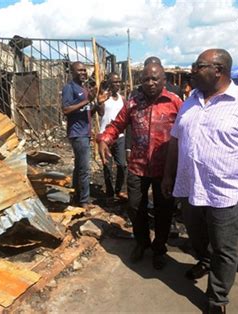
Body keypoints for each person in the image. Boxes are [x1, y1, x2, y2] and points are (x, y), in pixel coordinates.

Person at [161, 49, 238, 313]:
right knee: (198, 237)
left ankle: (218, 297)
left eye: (198, 66)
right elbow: (176, 140)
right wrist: (168, 175)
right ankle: (204, 260)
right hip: (190, 187)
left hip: (226, 192)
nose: (192, 71)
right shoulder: (191, 99)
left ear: (218, 70)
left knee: (224, 247)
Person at [97, 62, 182, 270]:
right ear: (140, 81)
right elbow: (117, 124)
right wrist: (104, 139)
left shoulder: (175, 102)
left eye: (155, 79)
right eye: (146, 79)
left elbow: (188, 130)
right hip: (137, 166)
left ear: (164, 80)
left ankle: (159, 248)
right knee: (135, 207)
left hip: (165, 170)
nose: (150, 83)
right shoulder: (133, 103)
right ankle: (142, 242)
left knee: (163, 211)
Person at [61, 61, 97, 208]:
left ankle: (76, 195)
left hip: (85, 132)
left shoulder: (84, 88)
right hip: (77, 133)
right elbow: (65, 110)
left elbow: (88, 111)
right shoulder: (69, 88)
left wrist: (96, 103)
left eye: (84, 70)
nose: (83, 73)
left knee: (79, 166)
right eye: (79, 70)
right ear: (72, 72)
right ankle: (84, 201)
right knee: (85, 168)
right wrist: (86, 101)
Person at [96, 73, 128, 202]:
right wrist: (100, 102)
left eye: (119, 82)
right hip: (105, 137)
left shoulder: (123, 99)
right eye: (114, 82)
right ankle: (109, 193)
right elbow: (100, 113)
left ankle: (118, 190)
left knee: (122, 165)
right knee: (107, 166)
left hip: (119, 136)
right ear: (109, 83)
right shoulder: (104, 98)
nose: (117, 84)